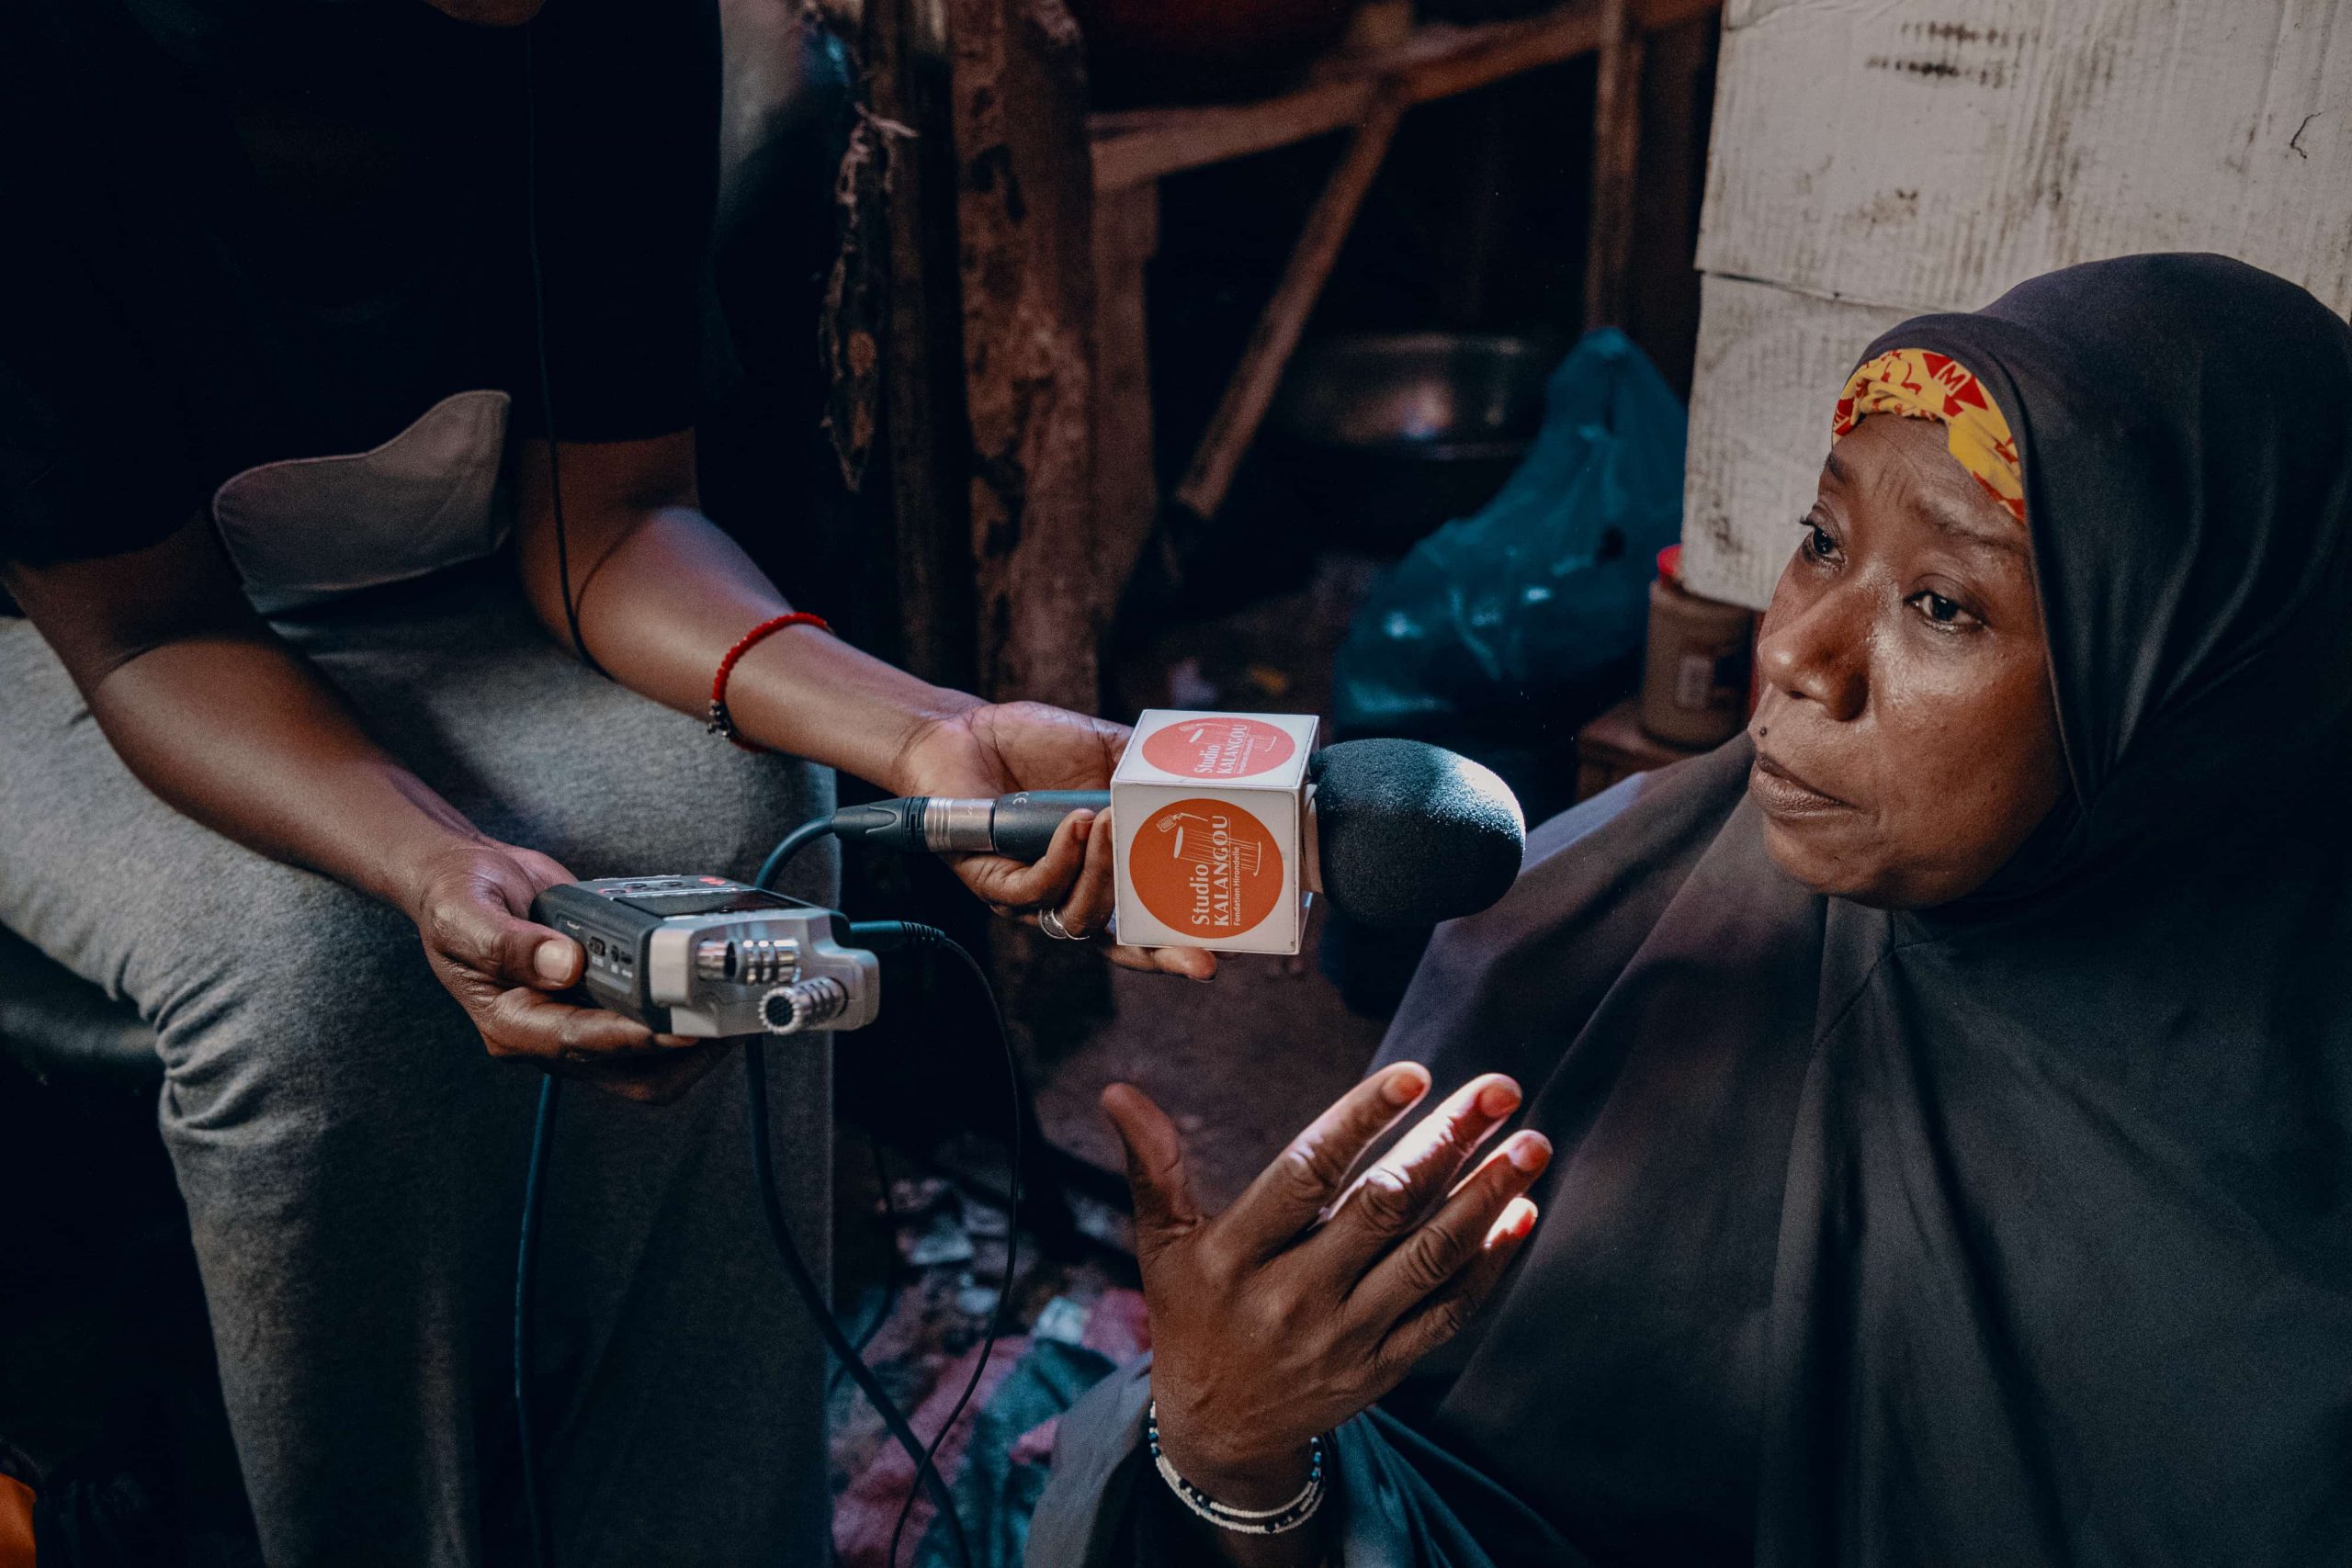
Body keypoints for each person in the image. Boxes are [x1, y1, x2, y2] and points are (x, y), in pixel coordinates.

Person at [0, 1, 1204, 1562]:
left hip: (447, 596)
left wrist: (925, 733)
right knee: (311, 978)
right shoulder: (48, 59)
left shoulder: (602, 20)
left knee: (744, 835)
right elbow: (152, 633)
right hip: (69, 631)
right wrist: (427, 860)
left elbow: (614, 524)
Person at [1031, 253, 2352, 1566]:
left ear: (2190, 703)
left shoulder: (2293, 1231)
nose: (1794, 651)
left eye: (1942, 603)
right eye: (1822, 541)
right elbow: (1406, 1500)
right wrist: (1239, 1453)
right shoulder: (1599, 931)